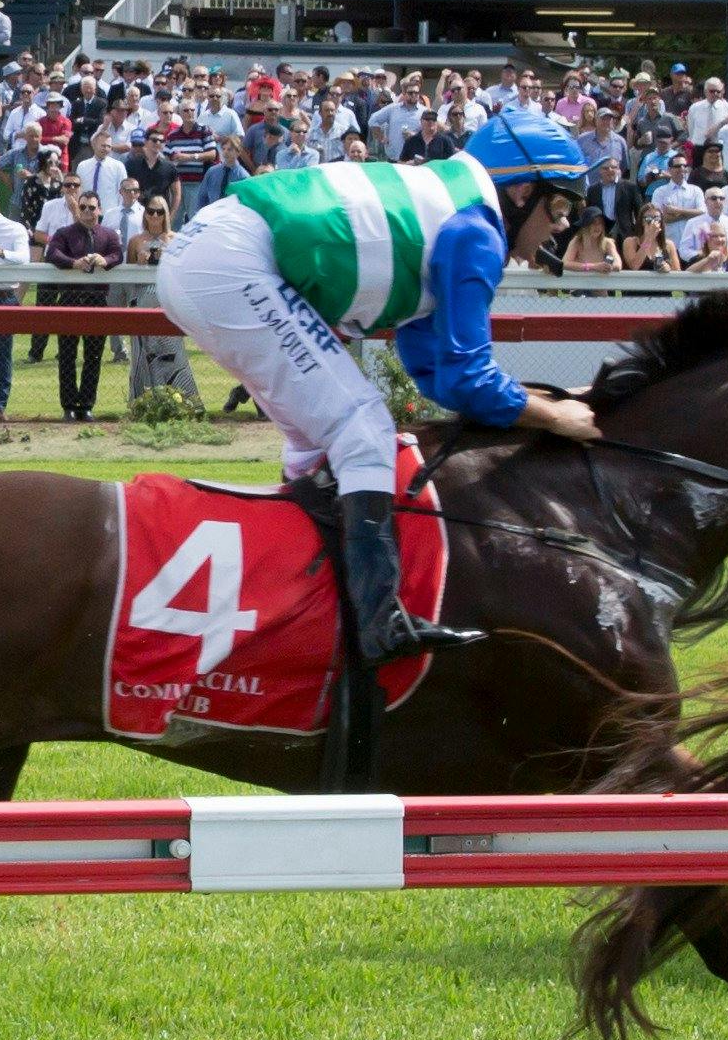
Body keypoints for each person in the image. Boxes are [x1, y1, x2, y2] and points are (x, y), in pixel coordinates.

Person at [150, 107, 600, 665]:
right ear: (522, 191)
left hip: (216, 255)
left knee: (321, 444)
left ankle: (311, 593)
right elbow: (465, 375)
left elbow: (434, 366)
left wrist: (545, 402)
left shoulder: (455, 206)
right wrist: (555, 417)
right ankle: (376, 620)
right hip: (229, 263)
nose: (559, 227)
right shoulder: (477, 230)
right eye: (558, 208)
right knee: (361, 429)